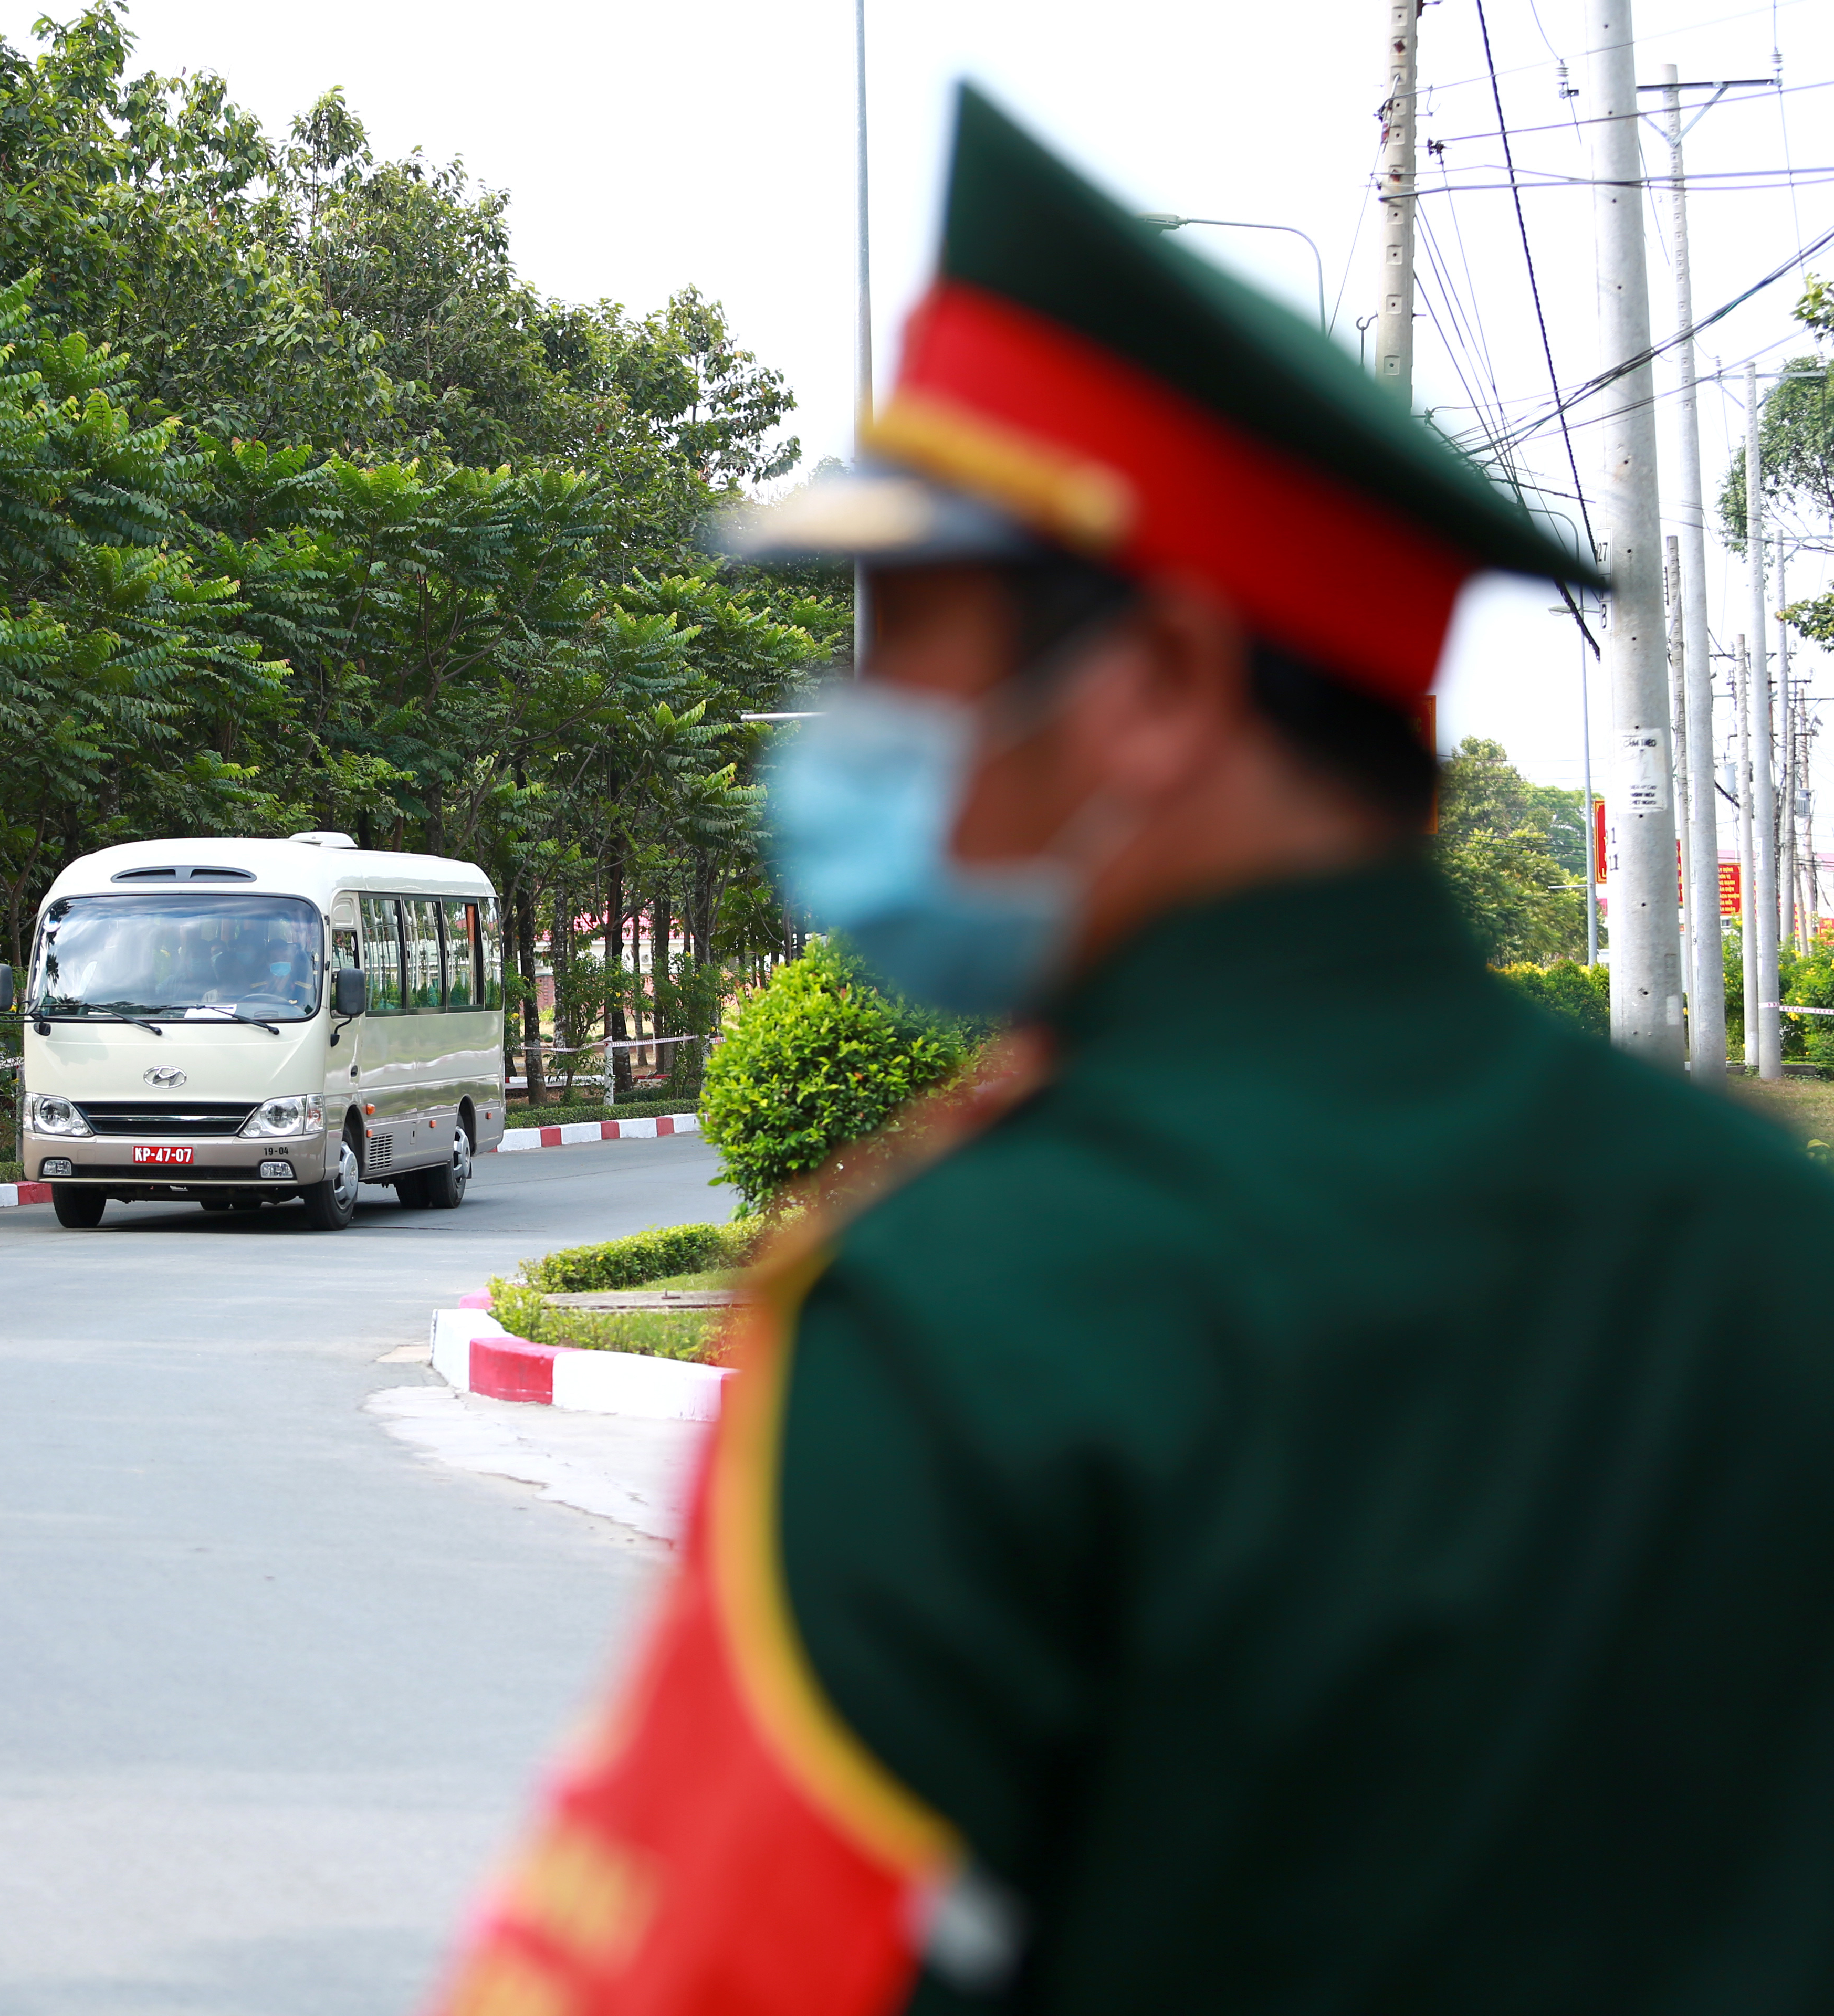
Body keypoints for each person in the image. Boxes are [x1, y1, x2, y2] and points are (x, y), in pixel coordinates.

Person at [433, 86, 1834, 2016]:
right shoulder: (1767, 1236)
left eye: (910, 637)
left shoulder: (971, 1320)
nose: (848, 720)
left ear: (1163, 688)